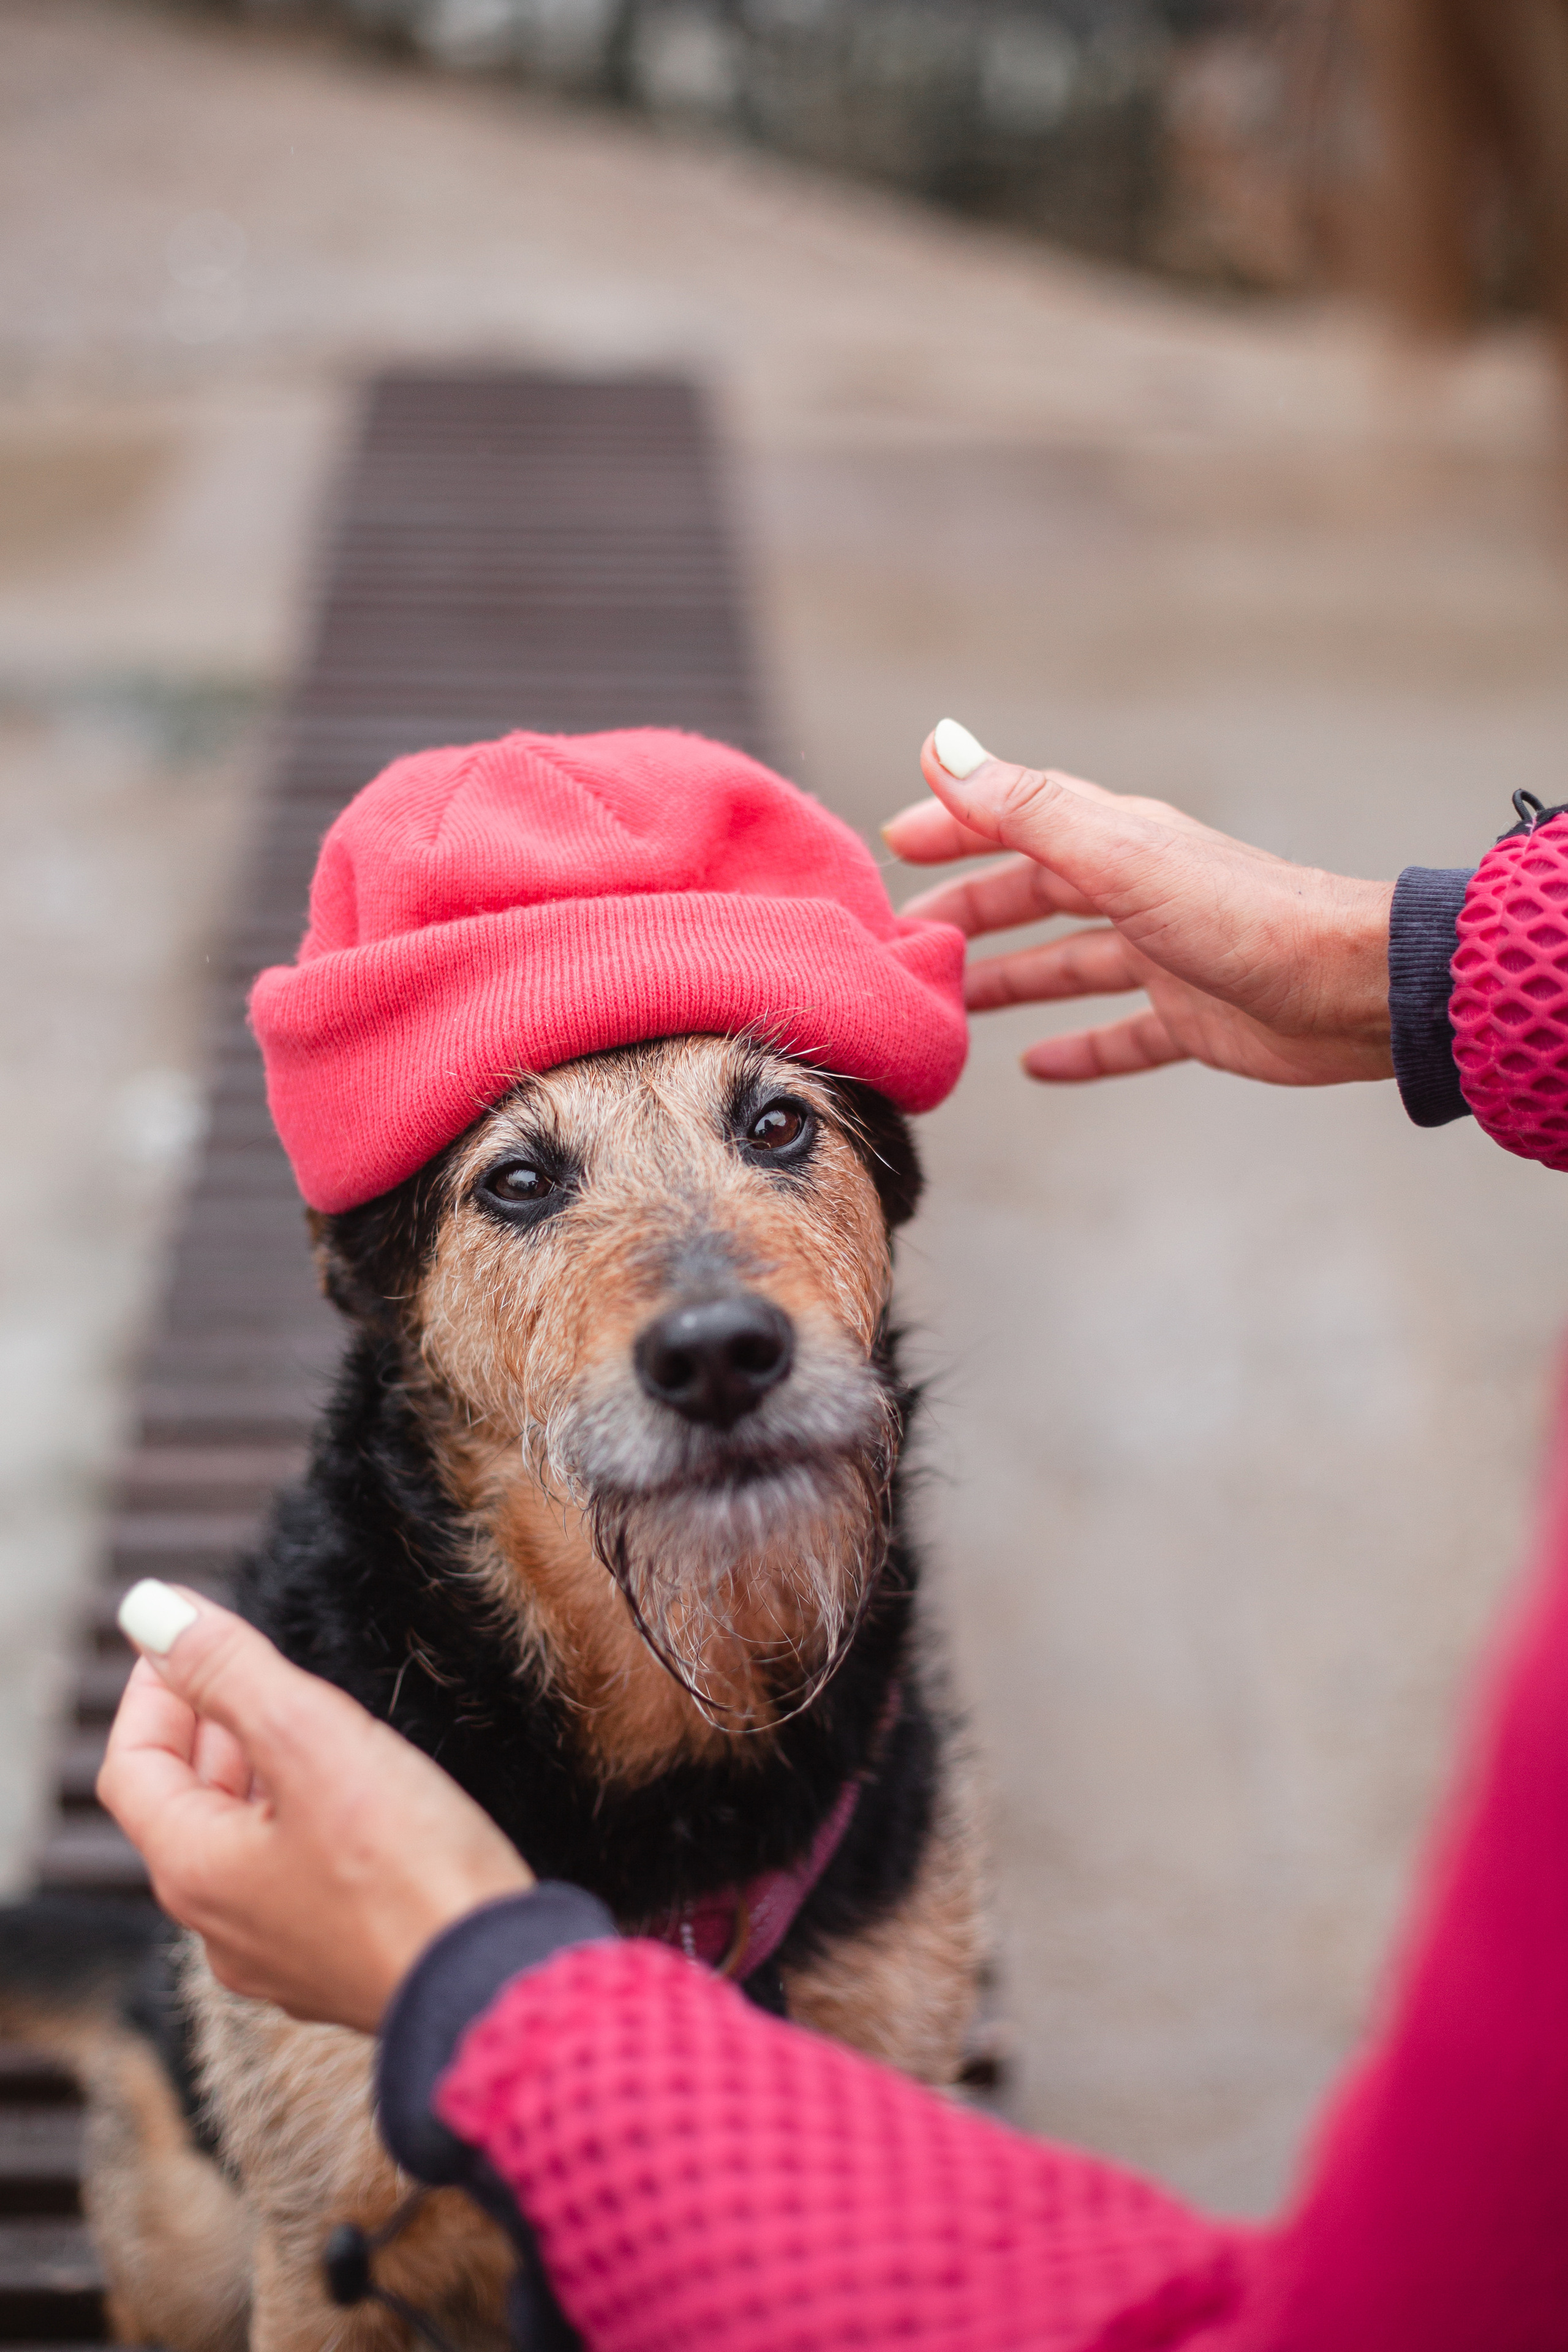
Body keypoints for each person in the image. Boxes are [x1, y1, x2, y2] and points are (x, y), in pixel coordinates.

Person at [99, 722, 1568, 2350]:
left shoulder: (891, 1843)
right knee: (203, 2255)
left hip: (788, 1905)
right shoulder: (324, 1751)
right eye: (520, 1185)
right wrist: (1441, 963)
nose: (708, 1311)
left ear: (885, 1208)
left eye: (780, 1129)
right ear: (376, 1289)